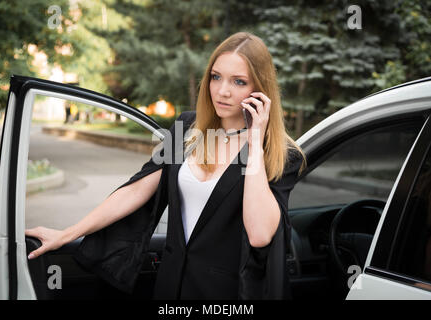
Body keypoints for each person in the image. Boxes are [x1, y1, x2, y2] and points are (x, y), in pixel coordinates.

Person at [25, 31, 307, 300]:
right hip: (171, 285)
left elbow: (259, 235)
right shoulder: (186, 128)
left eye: (239, 82)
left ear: (261, 88)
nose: (222, 91)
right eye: (216, 77)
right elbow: (138, 189)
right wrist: (68, 233)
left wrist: (255, 138)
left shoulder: (281, 154)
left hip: (230, 294)